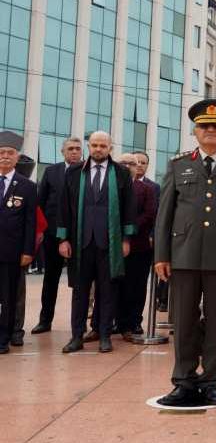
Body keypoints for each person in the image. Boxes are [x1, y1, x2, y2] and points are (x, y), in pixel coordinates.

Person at [153, 99, 216, 406]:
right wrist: (161, 255)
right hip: (183, 255)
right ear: (195, 131)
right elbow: (165, 215)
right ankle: (183, 380)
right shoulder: (178, 166)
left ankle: (211, 380)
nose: (211, 131)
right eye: (204, 126)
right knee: (183, 320)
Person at [57, 131, 136, 353]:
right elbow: (64, 208)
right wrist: (63, 239)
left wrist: (126, 239)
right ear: (89, 147)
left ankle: (104, 336)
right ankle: (76, 337)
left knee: (107, 291)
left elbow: (129, 207)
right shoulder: (74, 173)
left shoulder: (120, 173)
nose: (98, 149)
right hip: (81, 242)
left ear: (110, 148)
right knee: (80, 292)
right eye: (94, 145)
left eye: (103, 145)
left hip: (110, 243)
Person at [33, 137, 82, 335]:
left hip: (79, 235)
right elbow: (40, 202)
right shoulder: (51, 171)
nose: (74, 152)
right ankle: (45, 321)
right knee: (50, 279)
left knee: (80, 281)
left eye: (78, 149)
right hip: (52, 234)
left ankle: (78, 326)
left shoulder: (87, 172)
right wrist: (40, 231)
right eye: (70, 149)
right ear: (62, 152)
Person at [0, 131, 36, 354]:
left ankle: (4, 338)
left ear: (17, 157)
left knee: (9, 297)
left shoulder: (27, 186)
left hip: (11, 252)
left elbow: (30, 222)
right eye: (1, 152)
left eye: (9, 153)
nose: (5, 156)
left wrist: (27, 251)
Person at [114, 153, 156, 341]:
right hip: (113, 245)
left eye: (133, 163)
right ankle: (116, 322)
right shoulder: (110, 186)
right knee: (116, 286)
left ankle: (133, 322)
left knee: (136, 286)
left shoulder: (146, 189)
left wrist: (128, 229)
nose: (129, 166)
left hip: (138, 245)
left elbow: (149, 214)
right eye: (124, 163)